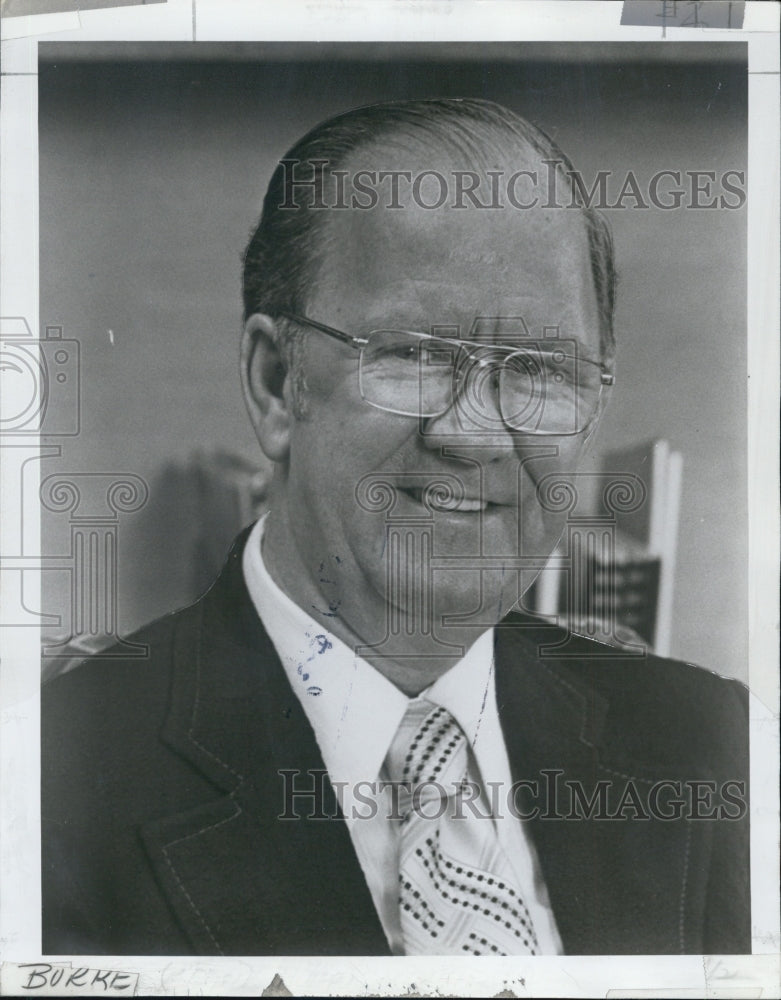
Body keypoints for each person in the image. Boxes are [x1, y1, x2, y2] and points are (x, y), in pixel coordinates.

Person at [41, 98, 749, 957]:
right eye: (413, 354)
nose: (474, 432)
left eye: (540, 371)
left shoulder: (715, 748)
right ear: (275, 384)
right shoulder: (51, 785)